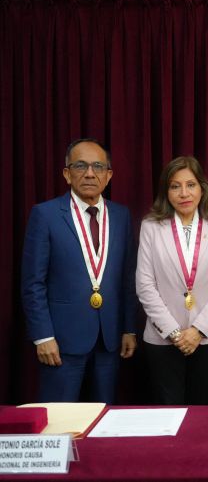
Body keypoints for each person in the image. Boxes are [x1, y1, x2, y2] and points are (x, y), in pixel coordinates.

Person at [21, 138, 137, 403]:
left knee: (103, 421)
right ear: (66, 173)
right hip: (60, 340)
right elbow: (32, 283)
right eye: (80, 166)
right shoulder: (45, 215)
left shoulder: (121, 216)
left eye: (98, 166)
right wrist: (43, 337)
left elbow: (127, 278)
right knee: (58, 422)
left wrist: (129, 328)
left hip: (109, 339)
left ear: (108, 175)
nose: (89, 173)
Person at [136, 156, 208, 405]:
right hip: (163, 337)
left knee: (201, 410)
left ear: (202, 188)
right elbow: (145, 285)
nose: (184, 193)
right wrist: (174, 332)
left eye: (190, 185)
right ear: (166, 192)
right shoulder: (150, 227)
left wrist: (198, 330)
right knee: (169, 410)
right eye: (175, 186)